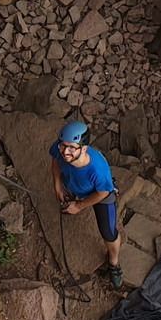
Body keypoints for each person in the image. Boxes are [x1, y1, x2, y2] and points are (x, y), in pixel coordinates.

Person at [49, 120, 123, 289]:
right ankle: (71, 202)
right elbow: (55, 160)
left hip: (99, 193)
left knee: (109, 232)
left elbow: (102, 192)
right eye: (63, 146)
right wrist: (57, 186)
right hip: (75, 185)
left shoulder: (98, 169)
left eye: (71, 148)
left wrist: (79, 206)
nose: (65, 151)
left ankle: (114, 261)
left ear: (83, 148)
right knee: (67, 199)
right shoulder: (60, 149)